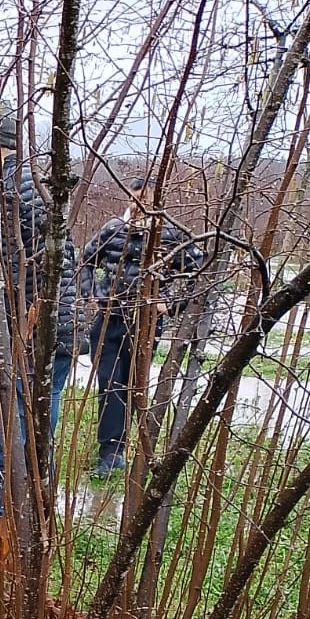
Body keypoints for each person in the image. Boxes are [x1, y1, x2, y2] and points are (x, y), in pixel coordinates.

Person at [0, 110, 81, 568]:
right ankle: (27, 553)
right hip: (46, 339)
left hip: (26, 343)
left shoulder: (5, 196)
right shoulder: (25, 189)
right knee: (29, 448)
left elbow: (14, 284)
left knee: (1, 446)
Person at [80, 176, 203, 478]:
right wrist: (93, 293)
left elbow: (199, 272)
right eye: (134, 200)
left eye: (144, 202)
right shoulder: (113, 229)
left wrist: (170, 303)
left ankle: (122, 449)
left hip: (145, 323)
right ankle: (109, 452)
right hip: (108, 319)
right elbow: (85, 259)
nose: (137, 207)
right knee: (110, 383)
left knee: (133, 383)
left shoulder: (170, 236)